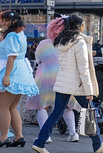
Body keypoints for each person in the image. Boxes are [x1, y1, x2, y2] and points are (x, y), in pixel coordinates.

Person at [32, 13, 103, 153]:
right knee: (89, 114)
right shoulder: (79, 43)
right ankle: (98, 144)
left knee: (56, 114)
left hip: (63, 82)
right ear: (80, 26)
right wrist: (89, 90)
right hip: (77, 85)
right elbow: (83, 69)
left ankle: (39, 142)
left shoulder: (62, 41)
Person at [0, 10, 39, 148]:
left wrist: (6, 76)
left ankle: (3, 137)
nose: (4, 23)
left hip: (12, 72)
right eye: (4, 20)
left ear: (14, 21)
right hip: (19, 71)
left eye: (7, 20)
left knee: (3, 107)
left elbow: (11, 57)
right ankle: (18, 136)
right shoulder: (19, 33)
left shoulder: (12, 35)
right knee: (12, 107)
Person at [26, 15, 80, 143]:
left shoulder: (44, 44)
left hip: (45, 79)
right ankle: (73, 134)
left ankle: (46, 136)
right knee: (67, 107)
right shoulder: (71, 43)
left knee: (42, 107)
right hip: (64, 79)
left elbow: (38, 59)